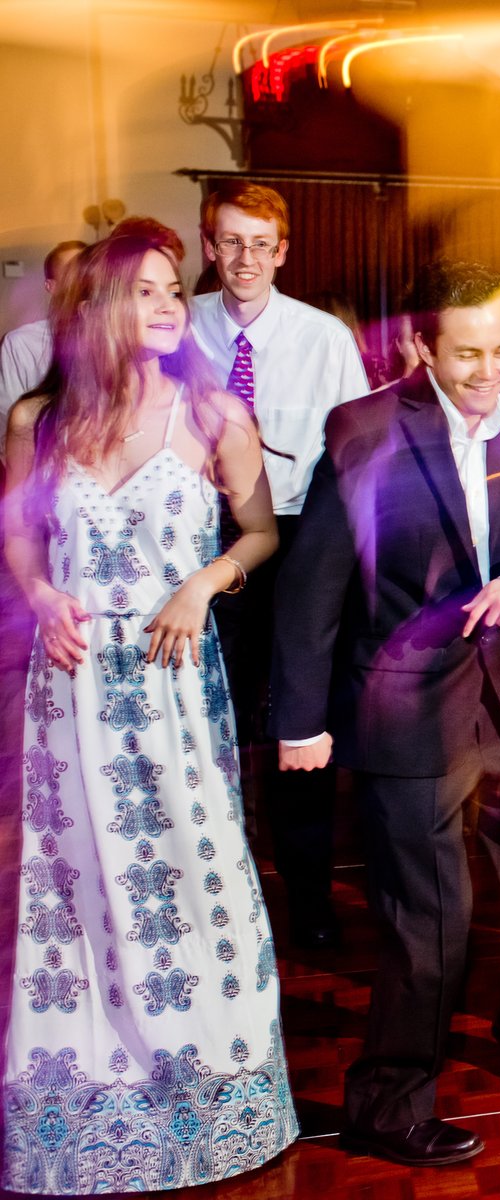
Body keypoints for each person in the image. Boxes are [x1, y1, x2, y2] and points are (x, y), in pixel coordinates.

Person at [269, 261, 500, 1166]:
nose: (489, 370)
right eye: (468, 353)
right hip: (405, 700)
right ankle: (387, 1106)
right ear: (424, 346)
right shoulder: (366, 427)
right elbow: (312, 585)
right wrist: (301, 720)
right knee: (430, 921)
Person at [1, 233, 297, 1191]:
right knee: (80, 877)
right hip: (73, 687)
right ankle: (91, 1093)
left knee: (197, 871)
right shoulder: (39, 421)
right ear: (93, 307)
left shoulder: (214, 414)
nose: (171, 305)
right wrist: (42, 596)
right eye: (145, 291)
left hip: (174, 682)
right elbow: (18, 539)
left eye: (175, 288)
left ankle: (214, 1086)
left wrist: (201, 585)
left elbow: (260, 533)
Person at [188, 181, 371, 948]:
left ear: (283, 252)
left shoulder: (323, 337)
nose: (246, 259)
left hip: (300, 542)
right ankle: (219, 894)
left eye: (261, 245)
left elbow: (359, 451)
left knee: (299, 725)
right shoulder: (178, 326)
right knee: (211, 724)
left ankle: (309, 898)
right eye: (232, 242)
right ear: (209, 246)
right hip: (204, 540)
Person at [0, 240, 87, 415]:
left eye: (87, 270)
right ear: (51, 286)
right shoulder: (21, 343)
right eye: (72, 273)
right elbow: (6, 415)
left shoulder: (117, 338)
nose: (83, 280)